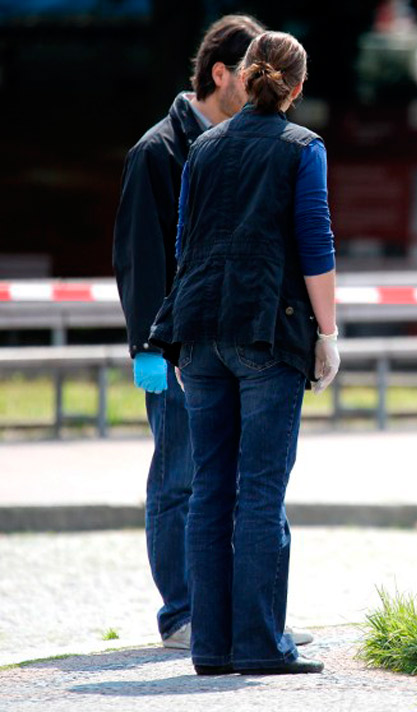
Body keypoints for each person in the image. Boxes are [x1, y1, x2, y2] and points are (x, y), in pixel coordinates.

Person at [149, 30, 340, 676]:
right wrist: (329, 333)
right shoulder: (302, 148)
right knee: (260, 492)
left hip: (198, 332)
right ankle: (261, 644)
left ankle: (211, 644)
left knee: (210, 490)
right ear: (298, 86)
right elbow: (316, 248)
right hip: (268, 330)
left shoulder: (202, 147)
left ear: (248, 75)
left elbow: (183, 244)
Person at [112, 14, 289, 650]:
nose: (265, 84)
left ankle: (240, 617)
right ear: (222, 75)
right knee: (181, 480)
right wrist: (149, 347)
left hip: (233, 347)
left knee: (246, 483)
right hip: (178, 347)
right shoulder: (157, 150)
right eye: (252, 72)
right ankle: (182, 614)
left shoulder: (244, 144)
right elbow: (140, 257)